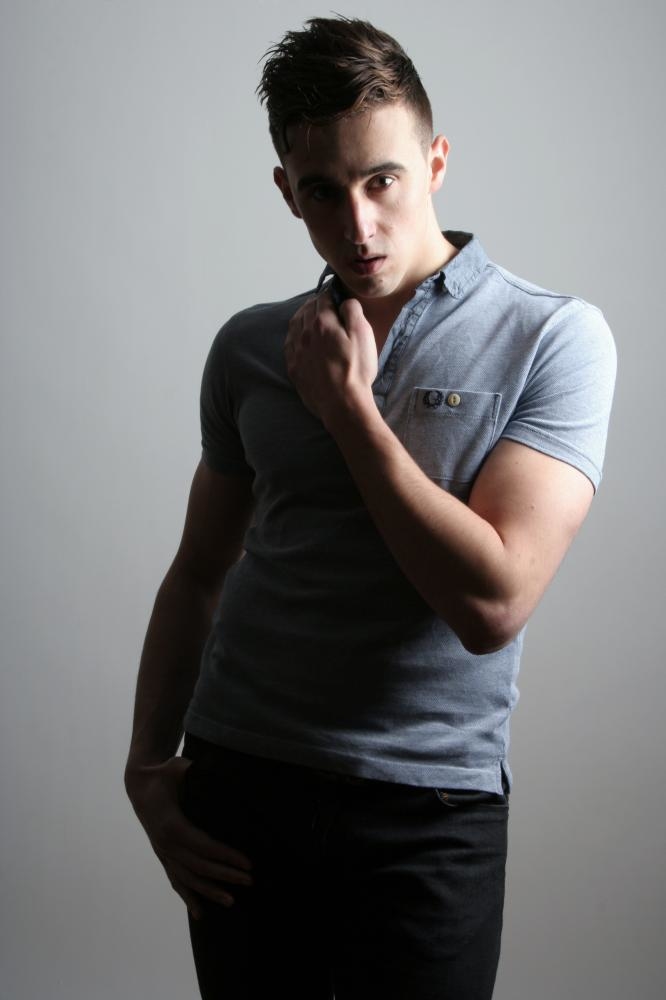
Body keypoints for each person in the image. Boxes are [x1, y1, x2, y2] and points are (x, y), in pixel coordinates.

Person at [124, 15, 616, 1000]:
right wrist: (145, 766)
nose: (357, 224)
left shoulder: (553, 336)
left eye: (382, 179)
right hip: (242, 782)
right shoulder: (250, 347)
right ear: (285, 191)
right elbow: (199, 571)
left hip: (428, 811)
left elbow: (493, 603)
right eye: (322, 191)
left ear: (435, 162)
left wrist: (349, 411)